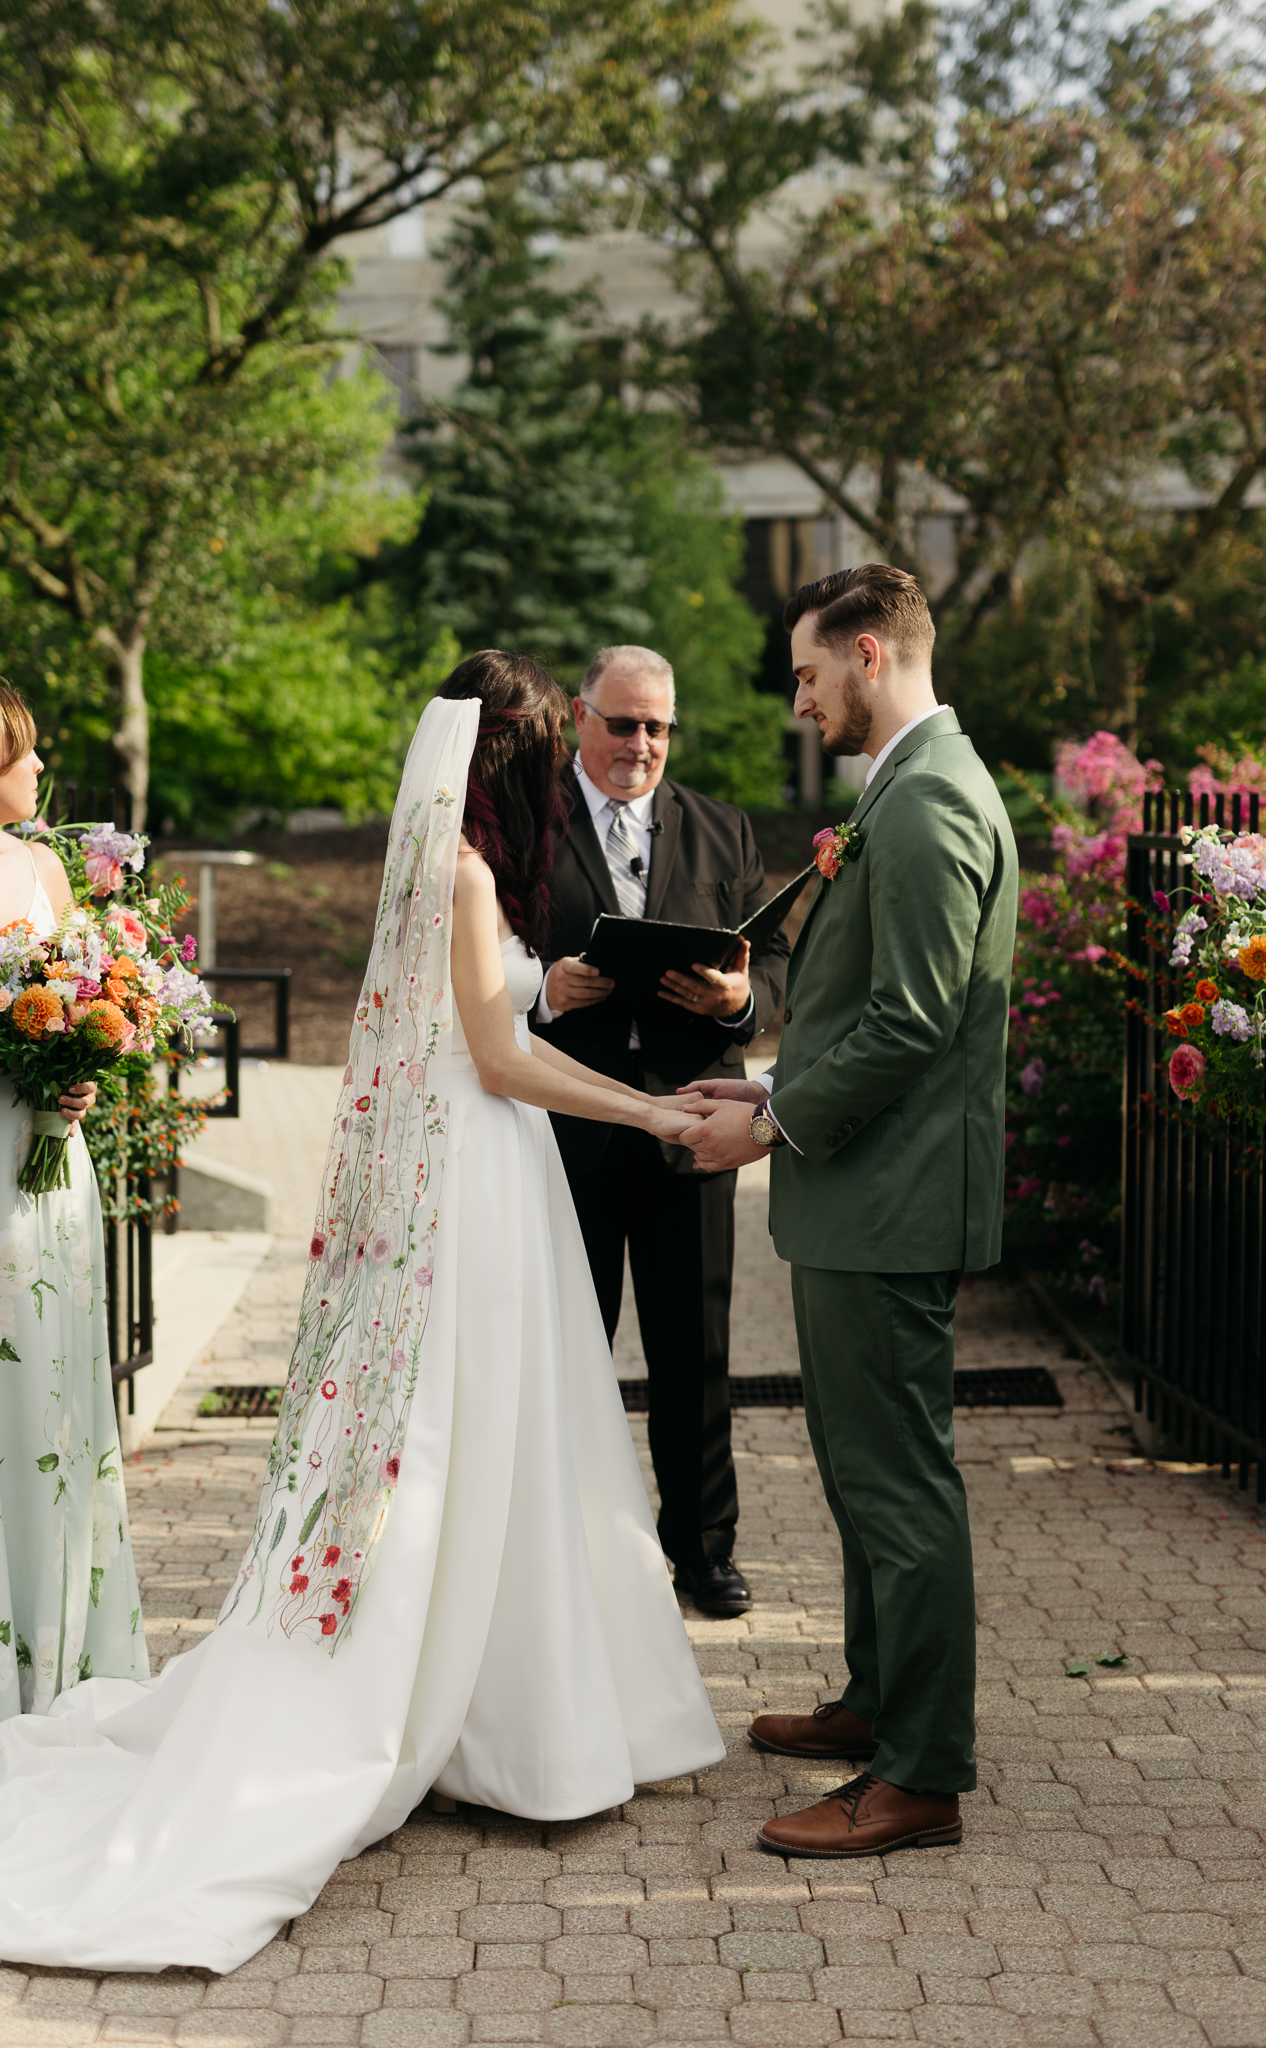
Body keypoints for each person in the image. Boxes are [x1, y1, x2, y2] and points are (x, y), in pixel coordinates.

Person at [0, 653, 723, 1973]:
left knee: (492, 1450)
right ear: (510, 761)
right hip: (479, 1183)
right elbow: (498, 1057)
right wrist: (652, 1109)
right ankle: (491, 1722)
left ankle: (495, 1715)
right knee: (475, 1448)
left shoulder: (432, 866)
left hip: (464, 1176)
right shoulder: (459, 875)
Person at [680, 565, 1018, 1857]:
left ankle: (920, 1773)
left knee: (896, 1485)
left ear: (869, 655)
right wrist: (761, 1078)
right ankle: (881, 1702)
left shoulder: (931, 802)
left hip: (892, 1203)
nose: (800, 699)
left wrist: (766, 1123)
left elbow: (913, 1021)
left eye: (810, 675)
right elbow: (865, 1010)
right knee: (860, 1472)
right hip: (859, 1197)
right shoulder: (908, 790)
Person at [531, 645, 790, 1619]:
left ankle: (704, 1550)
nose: (640, 743)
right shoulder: (527, 825)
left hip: (691, 1122)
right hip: (567, 1126)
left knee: (697, 1349)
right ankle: (571, 1549)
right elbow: (485, 965)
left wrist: (738, 999)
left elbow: (776, 963)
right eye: (622, 721)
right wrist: (545, 990)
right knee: (570, 1347)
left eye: (658, 727)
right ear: (579, 717)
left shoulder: (721, 829)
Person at [0, 689, 148, 1720]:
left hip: (53, 1159)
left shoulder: (45, 867)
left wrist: (85, 1064)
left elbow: (94, 989)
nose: (41, 766)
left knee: (54, 1393)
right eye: (26, 751)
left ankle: (55, 1647)